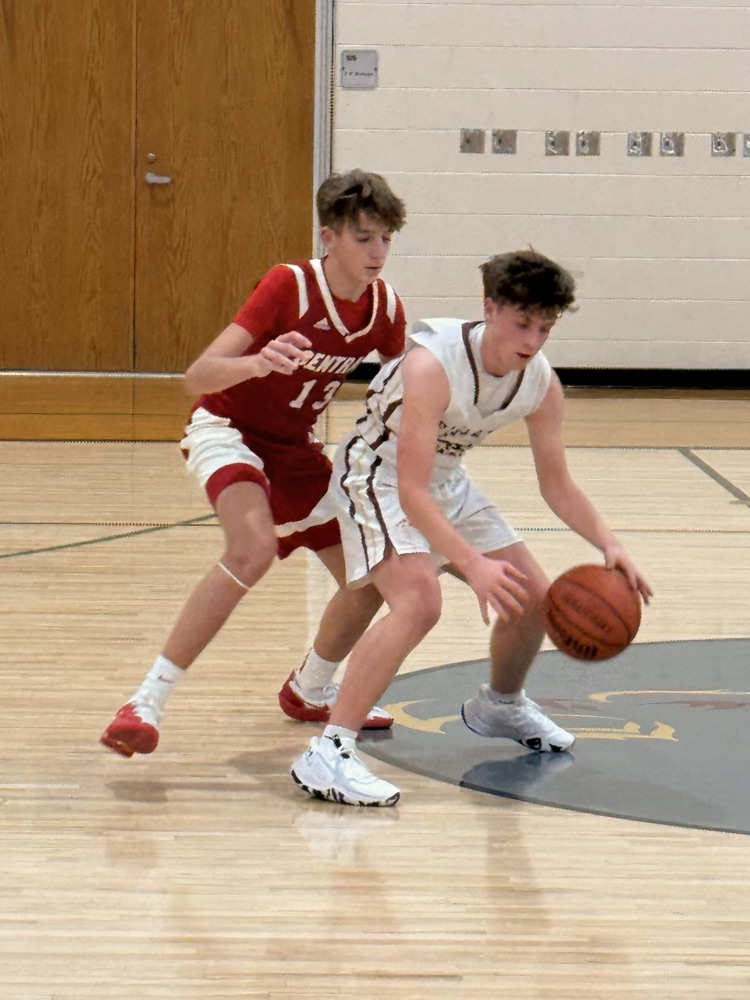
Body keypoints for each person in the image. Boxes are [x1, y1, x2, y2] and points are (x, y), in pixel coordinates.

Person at [290, 249, 653, 806]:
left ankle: (501, 705)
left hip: (444, 482)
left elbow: (556, 485)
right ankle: (329, 752)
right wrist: (472, 562)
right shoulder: (432, 365)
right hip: (377, 476)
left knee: (533, 596)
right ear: (490, 308)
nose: (532, 339)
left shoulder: (541, 384)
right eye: (522, 323)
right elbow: (409, 489)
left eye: (545, 327)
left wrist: (609, 545)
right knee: (419, 603)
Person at [100, 169, 407, 757]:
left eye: (386, 238)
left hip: (297, 452)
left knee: (371, 577)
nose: (377, 252)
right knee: (252, 548)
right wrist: (258, 363)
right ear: (329, 237)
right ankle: (146, 700)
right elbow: (198, 377)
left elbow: (406, 388)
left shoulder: (384, 309)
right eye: (364, 237)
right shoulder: (288, 285)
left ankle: (309, 688)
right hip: (228, 429)